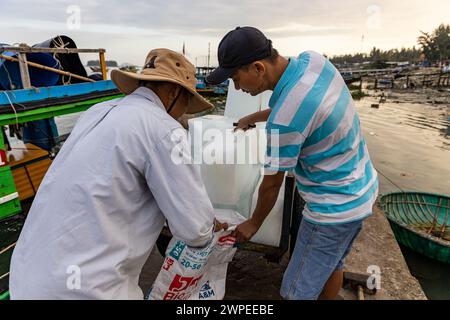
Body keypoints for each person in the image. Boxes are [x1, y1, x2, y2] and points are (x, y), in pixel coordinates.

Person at [10, 48, 227, 299]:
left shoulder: (97, 112)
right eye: (187, 102)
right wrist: (210, 225)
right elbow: (196, 229)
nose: (184, 112)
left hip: (27, 278)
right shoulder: (164, 129)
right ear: (173, 92)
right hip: (85, 291)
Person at [207, 27, 378, 300]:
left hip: (331, 211)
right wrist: (255, 116)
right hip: (362, 191)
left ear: (258, 68)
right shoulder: (313, 62)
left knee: (295, 291)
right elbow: (302, 104)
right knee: (332, 265)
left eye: (236, 78)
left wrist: (254, 223)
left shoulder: (284, 123)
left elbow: (272, 184)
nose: (237, 87)